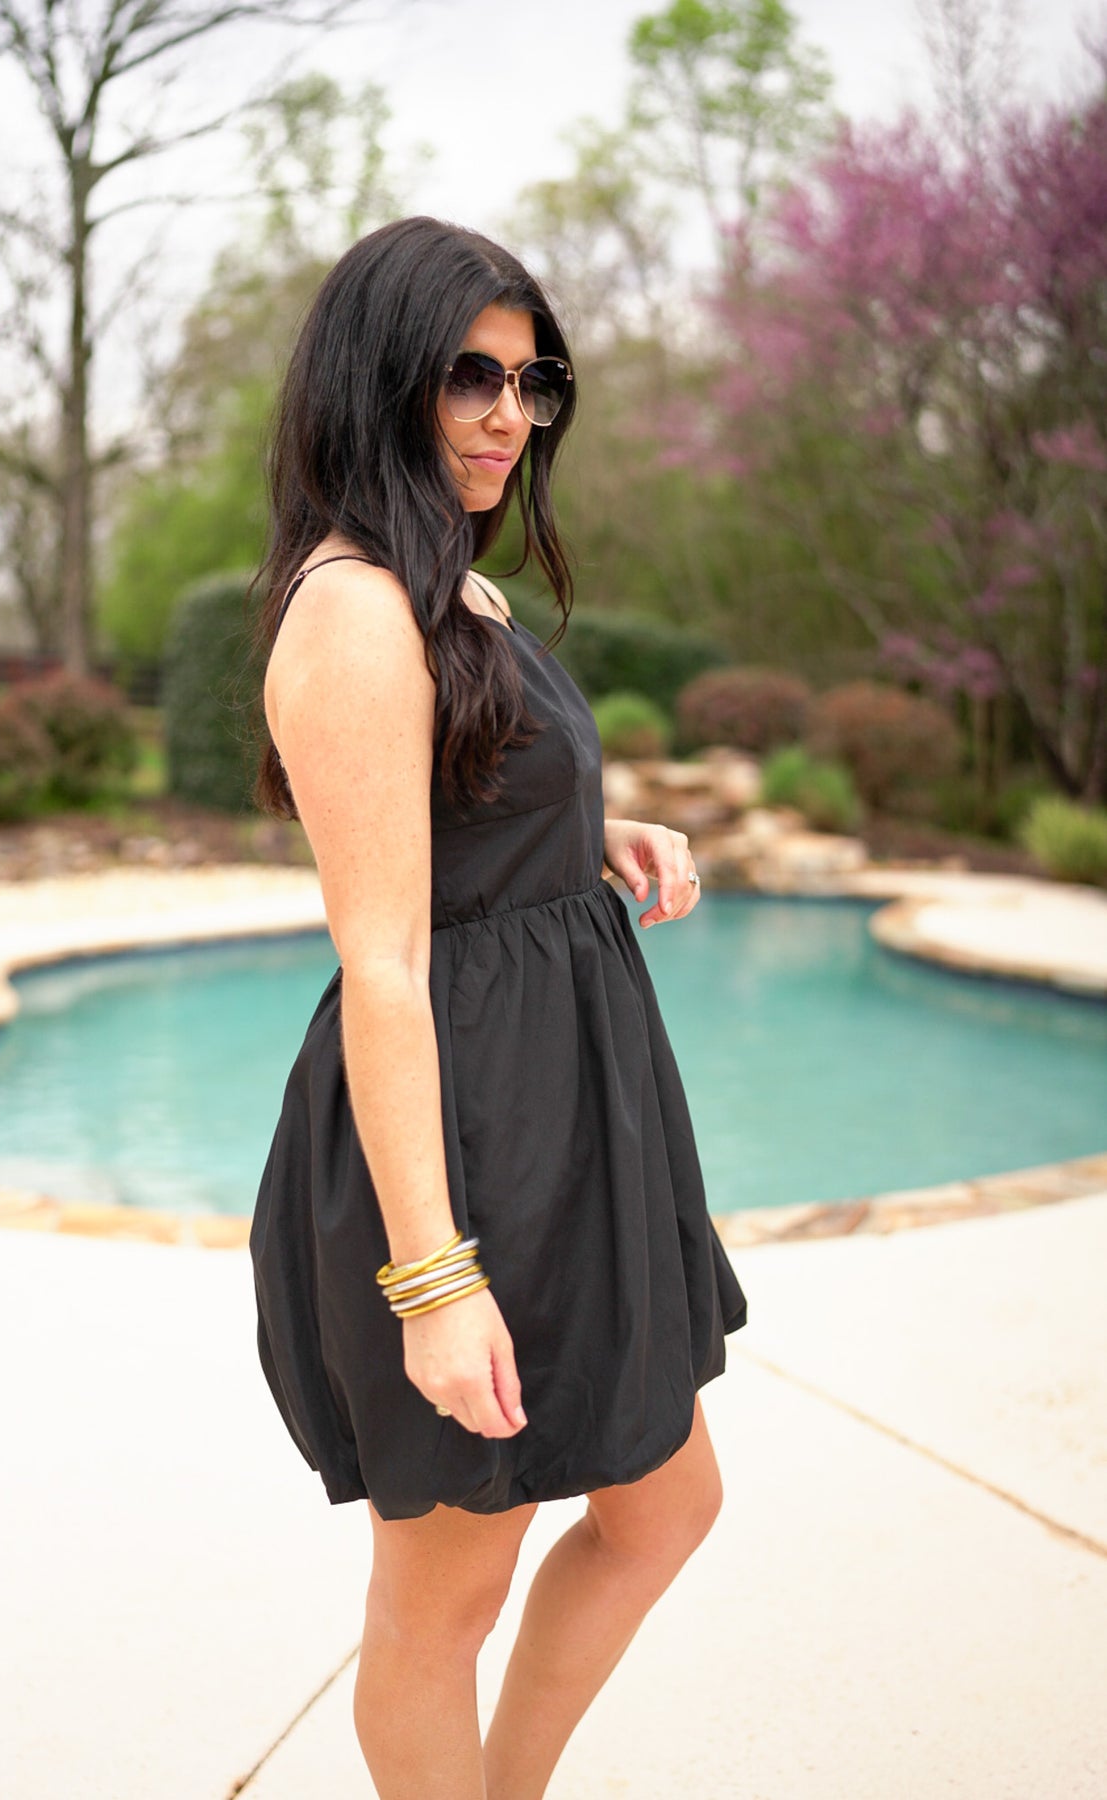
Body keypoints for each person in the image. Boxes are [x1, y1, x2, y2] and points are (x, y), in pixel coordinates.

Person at [248, 215, 748, 1800]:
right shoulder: (353, 611)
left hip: (571, 1121)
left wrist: (593, 827)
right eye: (472, 375)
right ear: (378, 374)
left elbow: (458, 808)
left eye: (535, 384)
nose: (509, 416)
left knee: (664, 1505)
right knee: (442, 1603)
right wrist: (435, 1279)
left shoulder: (453, 589)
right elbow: (386, 960)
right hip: (467, 1152)